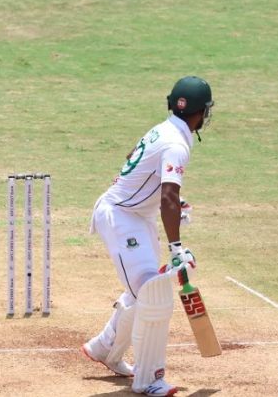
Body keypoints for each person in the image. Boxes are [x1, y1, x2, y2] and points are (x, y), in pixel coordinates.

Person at [82, 76, 214, 397]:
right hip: (120, 217)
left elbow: (135, 159)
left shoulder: (163, 129)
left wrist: (168, 202)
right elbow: (168, 194)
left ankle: (104, 347)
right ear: (198, 114)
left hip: (136, 216)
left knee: (147, 289)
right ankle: (149, 379)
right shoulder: (176, 143)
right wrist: (177, 247)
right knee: (151, 296)